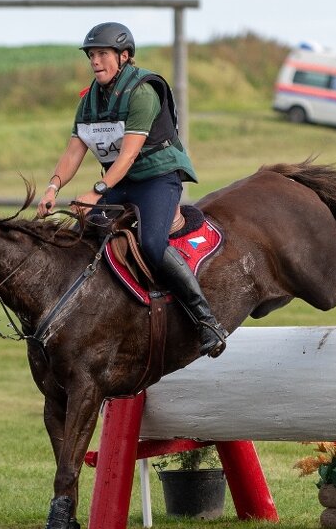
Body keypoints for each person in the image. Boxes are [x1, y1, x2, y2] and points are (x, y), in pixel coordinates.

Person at [37, 21, 227, 358]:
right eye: (91, 55)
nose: (95, 61)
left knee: (152, 245)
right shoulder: (89, 101)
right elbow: (73, 151)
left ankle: (206, 320)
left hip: (157, 179)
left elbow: (128, 154)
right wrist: (53, 186)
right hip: (120, 182)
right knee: (86, 230)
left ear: (124, 56)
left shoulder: (142, 92)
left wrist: (96, 191)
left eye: (102, 54)